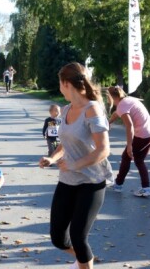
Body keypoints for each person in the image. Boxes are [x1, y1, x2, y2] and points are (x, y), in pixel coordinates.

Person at [38, 62, 112, 269]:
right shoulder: (66, 109)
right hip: (68, 181)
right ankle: (84, 260)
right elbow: (66, 141)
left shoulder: (92, 109)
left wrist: (74, 164)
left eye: (60, 84)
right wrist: (52, 158)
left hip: (92, 181)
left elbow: (103, 149)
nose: (59, 88)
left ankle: (84, 261)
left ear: (66, 83)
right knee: (59, 239)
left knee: (79, 238)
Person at [107, 86, 150, 197]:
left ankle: (120, 185)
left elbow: (129, 125)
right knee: (138, 160)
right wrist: (108, 122)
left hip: (143, 136)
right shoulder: (128, 100)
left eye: (107, 97)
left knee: (128, 157)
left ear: (111, 97)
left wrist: (129, 145)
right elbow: (116, 113)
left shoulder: (121, 106)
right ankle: (144, 187)